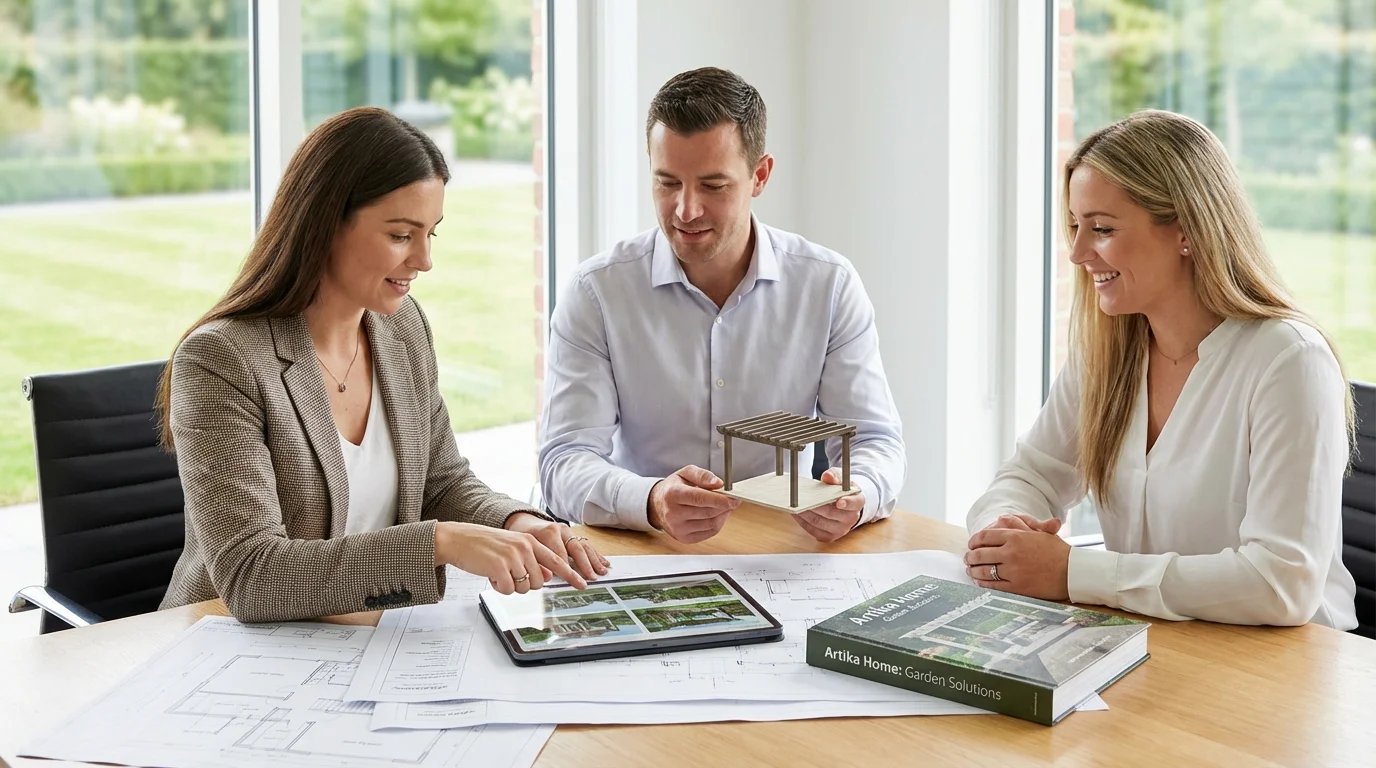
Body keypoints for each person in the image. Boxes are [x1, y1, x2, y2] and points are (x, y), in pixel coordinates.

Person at [156, 107, 606, 624]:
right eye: (400, 235)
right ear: (325, 224)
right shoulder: (221, 361)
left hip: (366, 636)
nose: (424, 260)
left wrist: (515, 520)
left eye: (430, 233)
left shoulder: (400, 327)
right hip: (231, 650)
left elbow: (440, 481)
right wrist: (439, 542)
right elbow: (253, 576)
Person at [964, 109, 1358, 630]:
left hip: (1284, 671)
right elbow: (1032, 473)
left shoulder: (1288, 362)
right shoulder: (1106, 350)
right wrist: (1006, 534)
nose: (1079, 252)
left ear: (1187, 232)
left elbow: (1281, 583)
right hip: (1158, 647)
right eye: (1076, 227)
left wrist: (1072, 572)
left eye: (1102, 228)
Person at [539, 67, 905, 545]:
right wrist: (650, 499)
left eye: (713, 186)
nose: (686, 210)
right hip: (646, 548)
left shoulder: (828, 285)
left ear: (760, 176)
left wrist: (859, 494)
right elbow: (563, 461)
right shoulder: (596, 292)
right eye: (667, 183)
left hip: (781, 553)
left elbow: (876, 441)